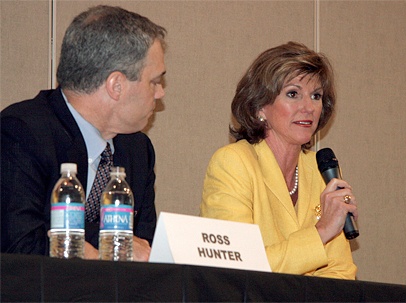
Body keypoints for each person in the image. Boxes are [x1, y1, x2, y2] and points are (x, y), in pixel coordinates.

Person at [1, 5, 167, 261]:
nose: (160, 93)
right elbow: (19, 249)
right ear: (116, 85)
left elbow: (145, 248)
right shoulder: (22, 133)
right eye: (154, 81)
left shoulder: (137, 149)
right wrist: (103, 253)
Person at [200, 42, 358, 278]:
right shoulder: (233, 163)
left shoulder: (321, 170)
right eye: (293, 94)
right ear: (259, 107)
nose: (308, 107)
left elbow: (341, 271)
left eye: (316, 96)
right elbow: (237, 266)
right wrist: (322, 230)